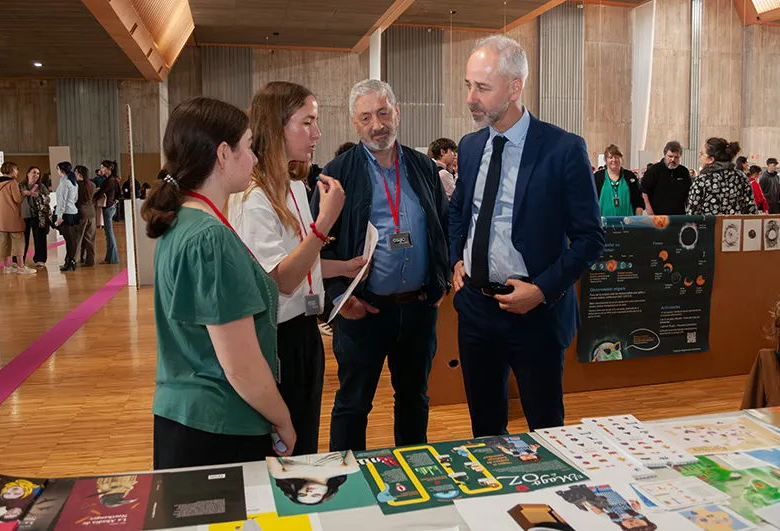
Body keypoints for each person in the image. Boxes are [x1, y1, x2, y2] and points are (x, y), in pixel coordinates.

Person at [451, 35, 604, 435]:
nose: (471, 98)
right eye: (469, 85)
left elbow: (590, 238)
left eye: (482, 88)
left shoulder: (563, 149)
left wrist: (541, 290)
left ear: (515, 87)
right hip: (475, 310)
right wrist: (455, 260)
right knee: (484, 429)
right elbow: (459, 211)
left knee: (547, 430)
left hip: (536, 313)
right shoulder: (469, 147)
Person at [141, 96, 295, 469]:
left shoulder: (181, 221)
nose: (255, 158)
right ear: (223, 154)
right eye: (248, 146)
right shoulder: (209, 237)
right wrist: (283, 417)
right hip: (217, 426)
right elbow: (239, 365)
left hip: (186, 417)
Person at [311, 79, 450, 452]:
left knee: (415, 400)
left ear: (397, 113)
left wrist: (441, 282)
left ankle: (412, 471)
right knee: (353, 404)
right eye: (367, 117)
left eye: (384, 113)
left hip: (418, 310)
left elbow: (443, 227)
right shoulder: (336, 174)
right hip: (363, 312)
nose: (378, 125)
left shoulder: (424, 168)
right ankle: (347, 481)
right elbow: (316, 247)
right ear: (354, 124)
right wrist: (340, 299)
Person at [227, 81, 363, 456]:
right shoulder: (254, 198)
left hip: (305, 332)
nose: (316, 133)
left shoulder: (294, 185)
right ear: (276, 127)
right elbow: (281, 280)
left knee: (304, 440)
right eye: (307, 122)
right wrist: (324, 224)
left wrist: (342, 268)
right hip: (278, 339)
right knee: (286, 447)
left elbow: (299, 262)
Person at [686, 138, 757, 216]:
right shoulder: (741, 177)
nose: (700, 157)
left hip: (710, 226)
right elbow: (751, 209)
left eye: (702, 154)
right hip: (735, 226)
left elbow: (692, 213)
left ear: (711, 159)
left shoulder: (702, 181)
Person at [0, 162, 36, 275]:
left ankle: (6, 266)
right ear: (11, 170)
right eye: (16, 170)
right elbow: (17, 199)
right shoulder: (12, 183)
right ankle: (21, 267)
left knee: (4, 241)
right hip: (12, 215)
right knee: (18, 240)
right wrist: (24, 193)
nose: (18, 172)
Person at [268, 452, 357, 506]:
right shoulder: (350, 469)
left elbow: (267, 451)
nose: (309, 492)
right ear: (327, 492)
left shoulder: (279, 474)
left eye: (302, 494)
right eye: (316, 495)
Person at [640, 141, 691, 215]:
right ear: (664, 155)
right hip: (657, 215)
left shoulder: (684, 172)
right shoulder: (653, 170)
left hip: (679, 216)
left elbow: (688, 194)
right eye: (670, 156)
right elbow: (644, 191)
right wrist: (648, 209)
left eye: (676, 157)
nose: (673, 159)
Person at [594, 144, 644, 216]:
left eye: (616, 157)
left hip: (628, 223)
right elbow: (591, 202)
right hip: (603, 224)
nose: (614, 160)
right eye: (610, 157)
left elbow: (639, 202)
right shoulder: (597, 177)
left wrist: (637, 222)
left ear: (621, 159)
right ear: (605, 160)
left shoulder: (630, 176)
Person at [19, 166, 50, 268]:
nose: (36, 175)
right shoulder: (21, 185)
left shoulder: (41, 186)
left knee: (40, 237)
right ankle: (19, 260)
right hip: (23, 215)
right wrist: (24, 194)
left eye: (38, 173)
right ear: (28, 173)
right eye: (34, 172)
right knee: (22, 239)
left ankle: (40, 259)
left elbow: (48, 199)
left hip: (38, 215)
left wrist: (39, 196)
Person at [54, 162, 81, 272]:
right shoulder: (73, 182)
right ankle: (70, 260)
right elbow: (75, 199)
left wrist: (59, 216)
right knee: (72, 240)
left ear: (61, 170)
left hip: (66, 214)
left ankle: (70, 261)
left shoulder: (65, 183)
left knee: (69, 240)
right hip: (73, 212)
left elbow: (62, 201)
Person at [94, 160, 120, 264]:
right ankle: (110, 257)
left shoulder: (110, 180)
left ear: (109, 169)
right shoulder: (111, 179)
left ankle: (113, 258)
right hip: (110, 206)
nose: (101, 170)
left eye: (103, 168)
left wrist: (94, 196)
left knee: (109, 233)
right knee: (108, 234)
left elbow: (101, 192)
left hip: (108, 207)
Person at [74, 165, 97, 267]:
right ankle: (90, 261)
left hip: (80, 213)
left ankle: (72, 260)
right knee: (90, 239)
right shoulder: (92, 184)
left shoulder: (76, 185)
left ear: (79, 174)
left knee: (77, 239)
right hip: (91, 213)